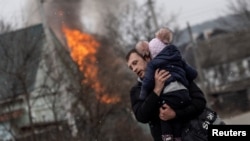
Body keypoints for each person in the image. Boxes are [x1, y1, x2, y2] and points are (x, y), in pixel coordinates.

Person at [126, 48, 206, 141]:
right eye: (131, 67)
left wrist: (176, 114)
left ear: (146, 58)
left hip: (193, 136)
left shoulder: (175, 72)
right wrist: (156, 90)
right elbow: (141, 116)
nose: (134, 69)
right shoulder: (137, 90)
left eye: (135, 63)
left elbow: (200, 102)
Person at [137, 27, 198, 140]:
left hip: (171, 97)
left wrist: (144, 95)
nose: (135, 68)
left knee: (163, 112)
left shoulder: (154, 65)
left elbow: (199, 102)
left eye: (147, 55)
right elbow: (193, 73)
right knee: (173, 115)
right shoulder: (178, 59)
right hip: (184, 94)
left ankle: (168, 137)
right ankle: (178, 136)